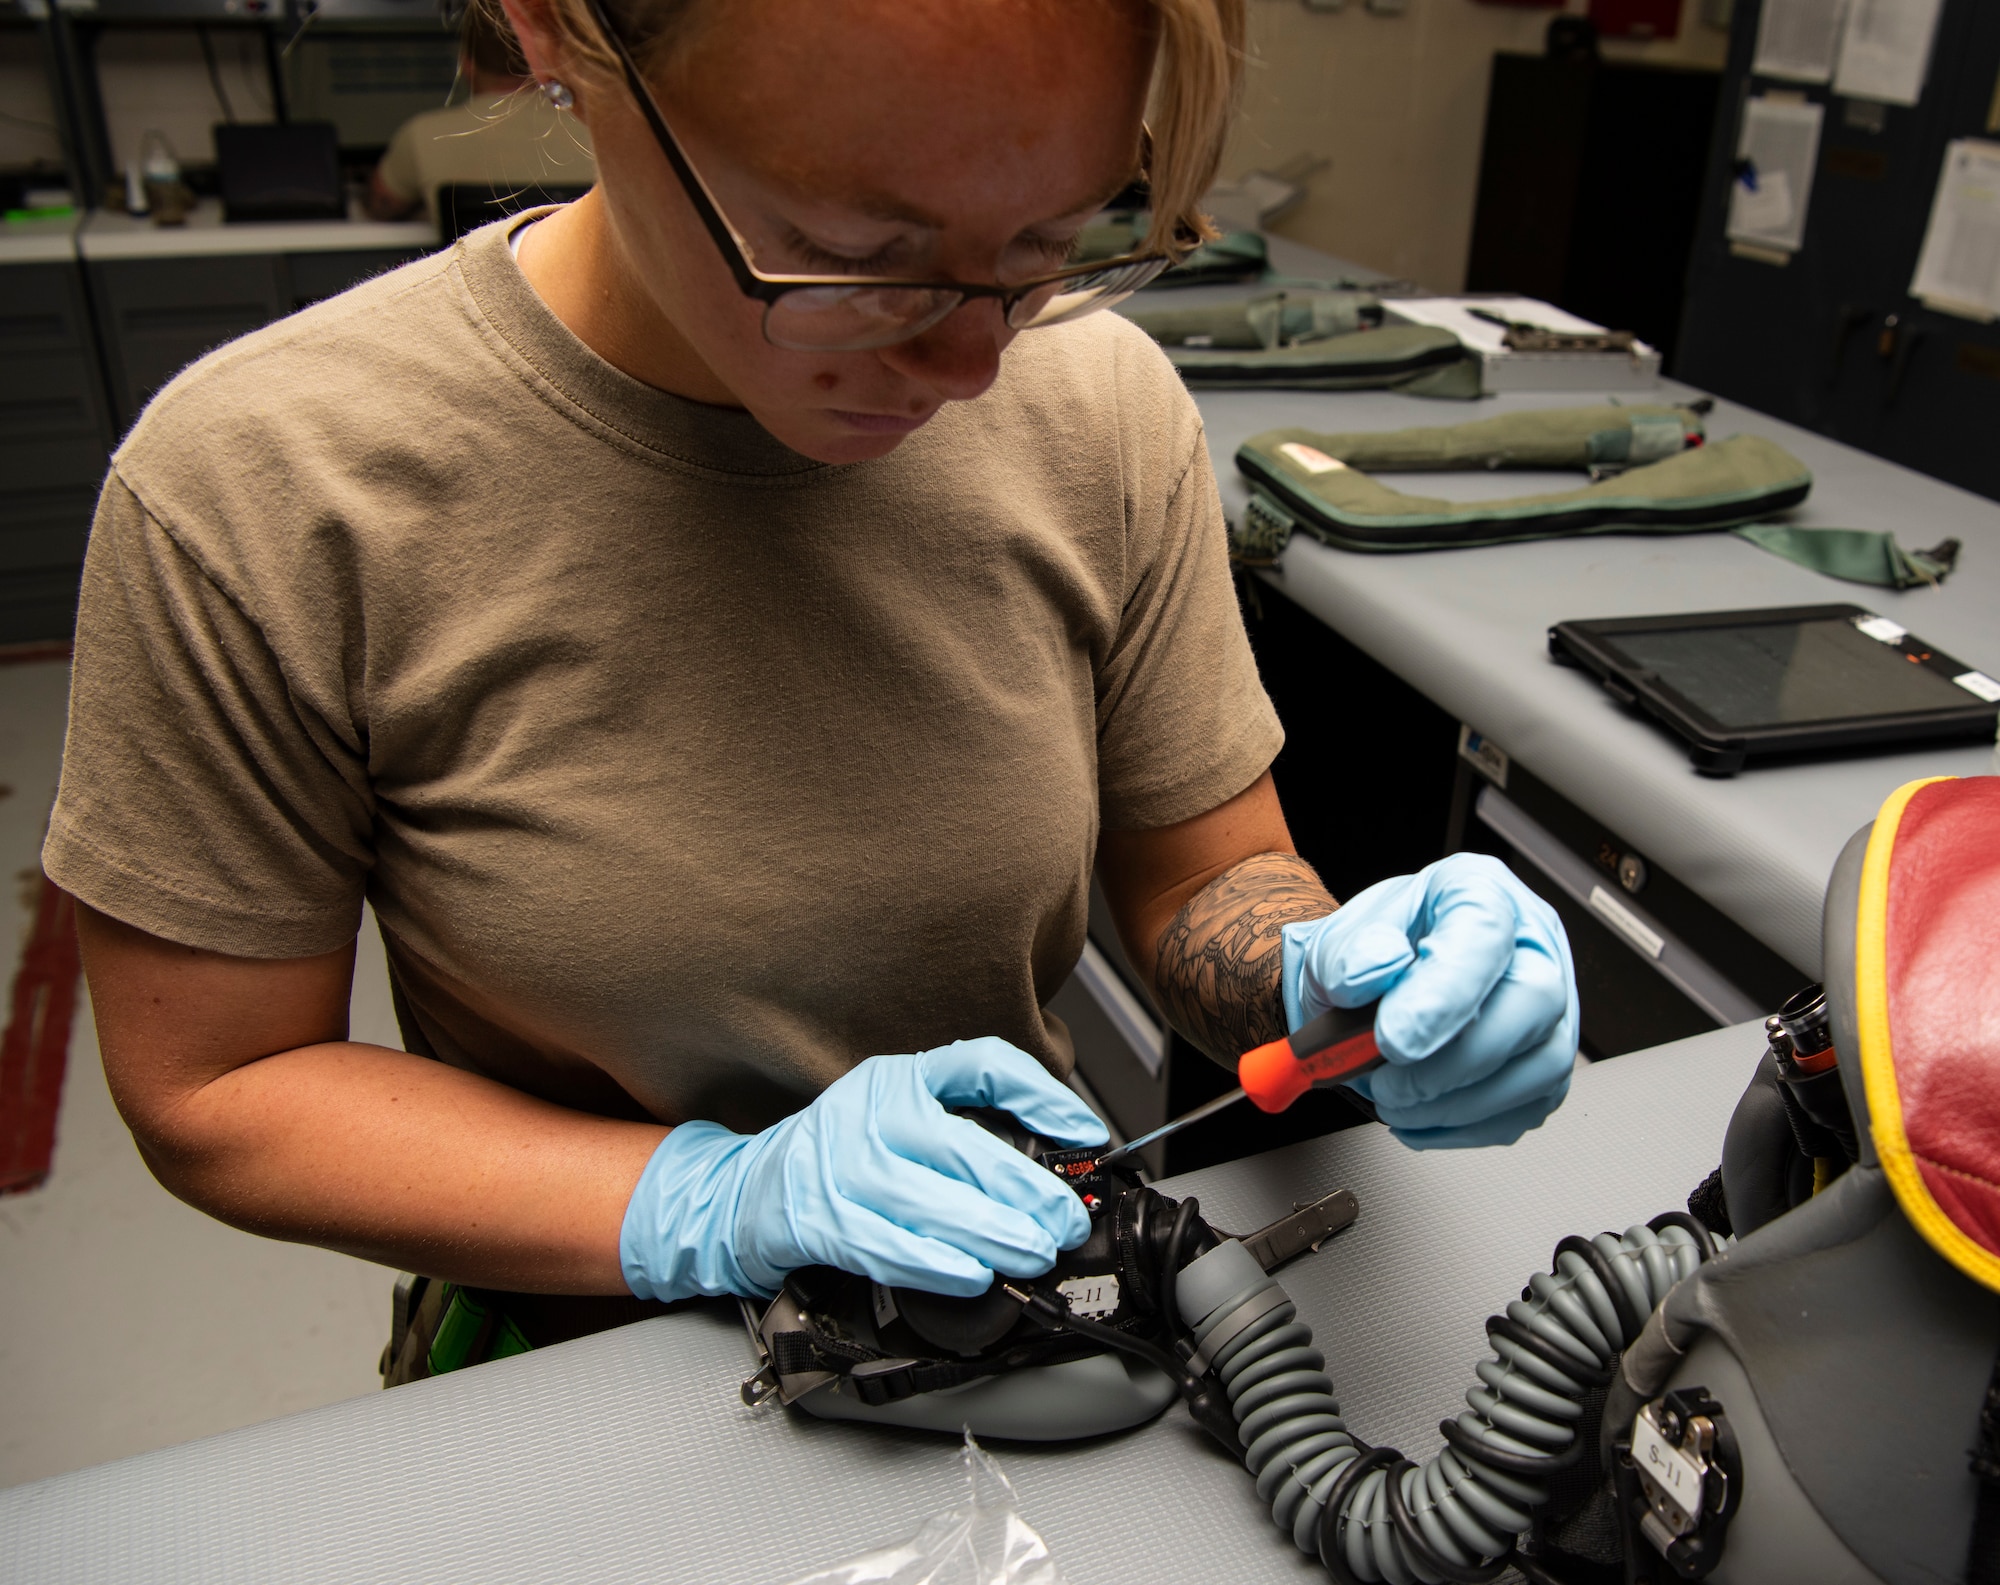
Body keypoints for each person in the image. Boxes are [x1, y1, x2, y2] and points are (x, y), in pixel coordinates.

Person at [51, 0, 1577, 1369]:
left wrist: (1331, 978)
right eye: (857, 257)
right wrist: (704, 1201)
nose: (974, 363)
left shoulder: (1100, 407)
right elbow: (221, 1086)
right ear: (554, 34)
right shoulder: (265, 485)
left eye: (1048, 243)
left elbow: (1211, 876)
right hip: (588, 1365)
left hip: (1031, 1319)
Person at [365, 3, 594, 224]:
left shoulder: (423, 134)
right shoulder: (592, 131)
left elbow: (380, 206)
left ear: (466, 64)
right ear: (539, 60)